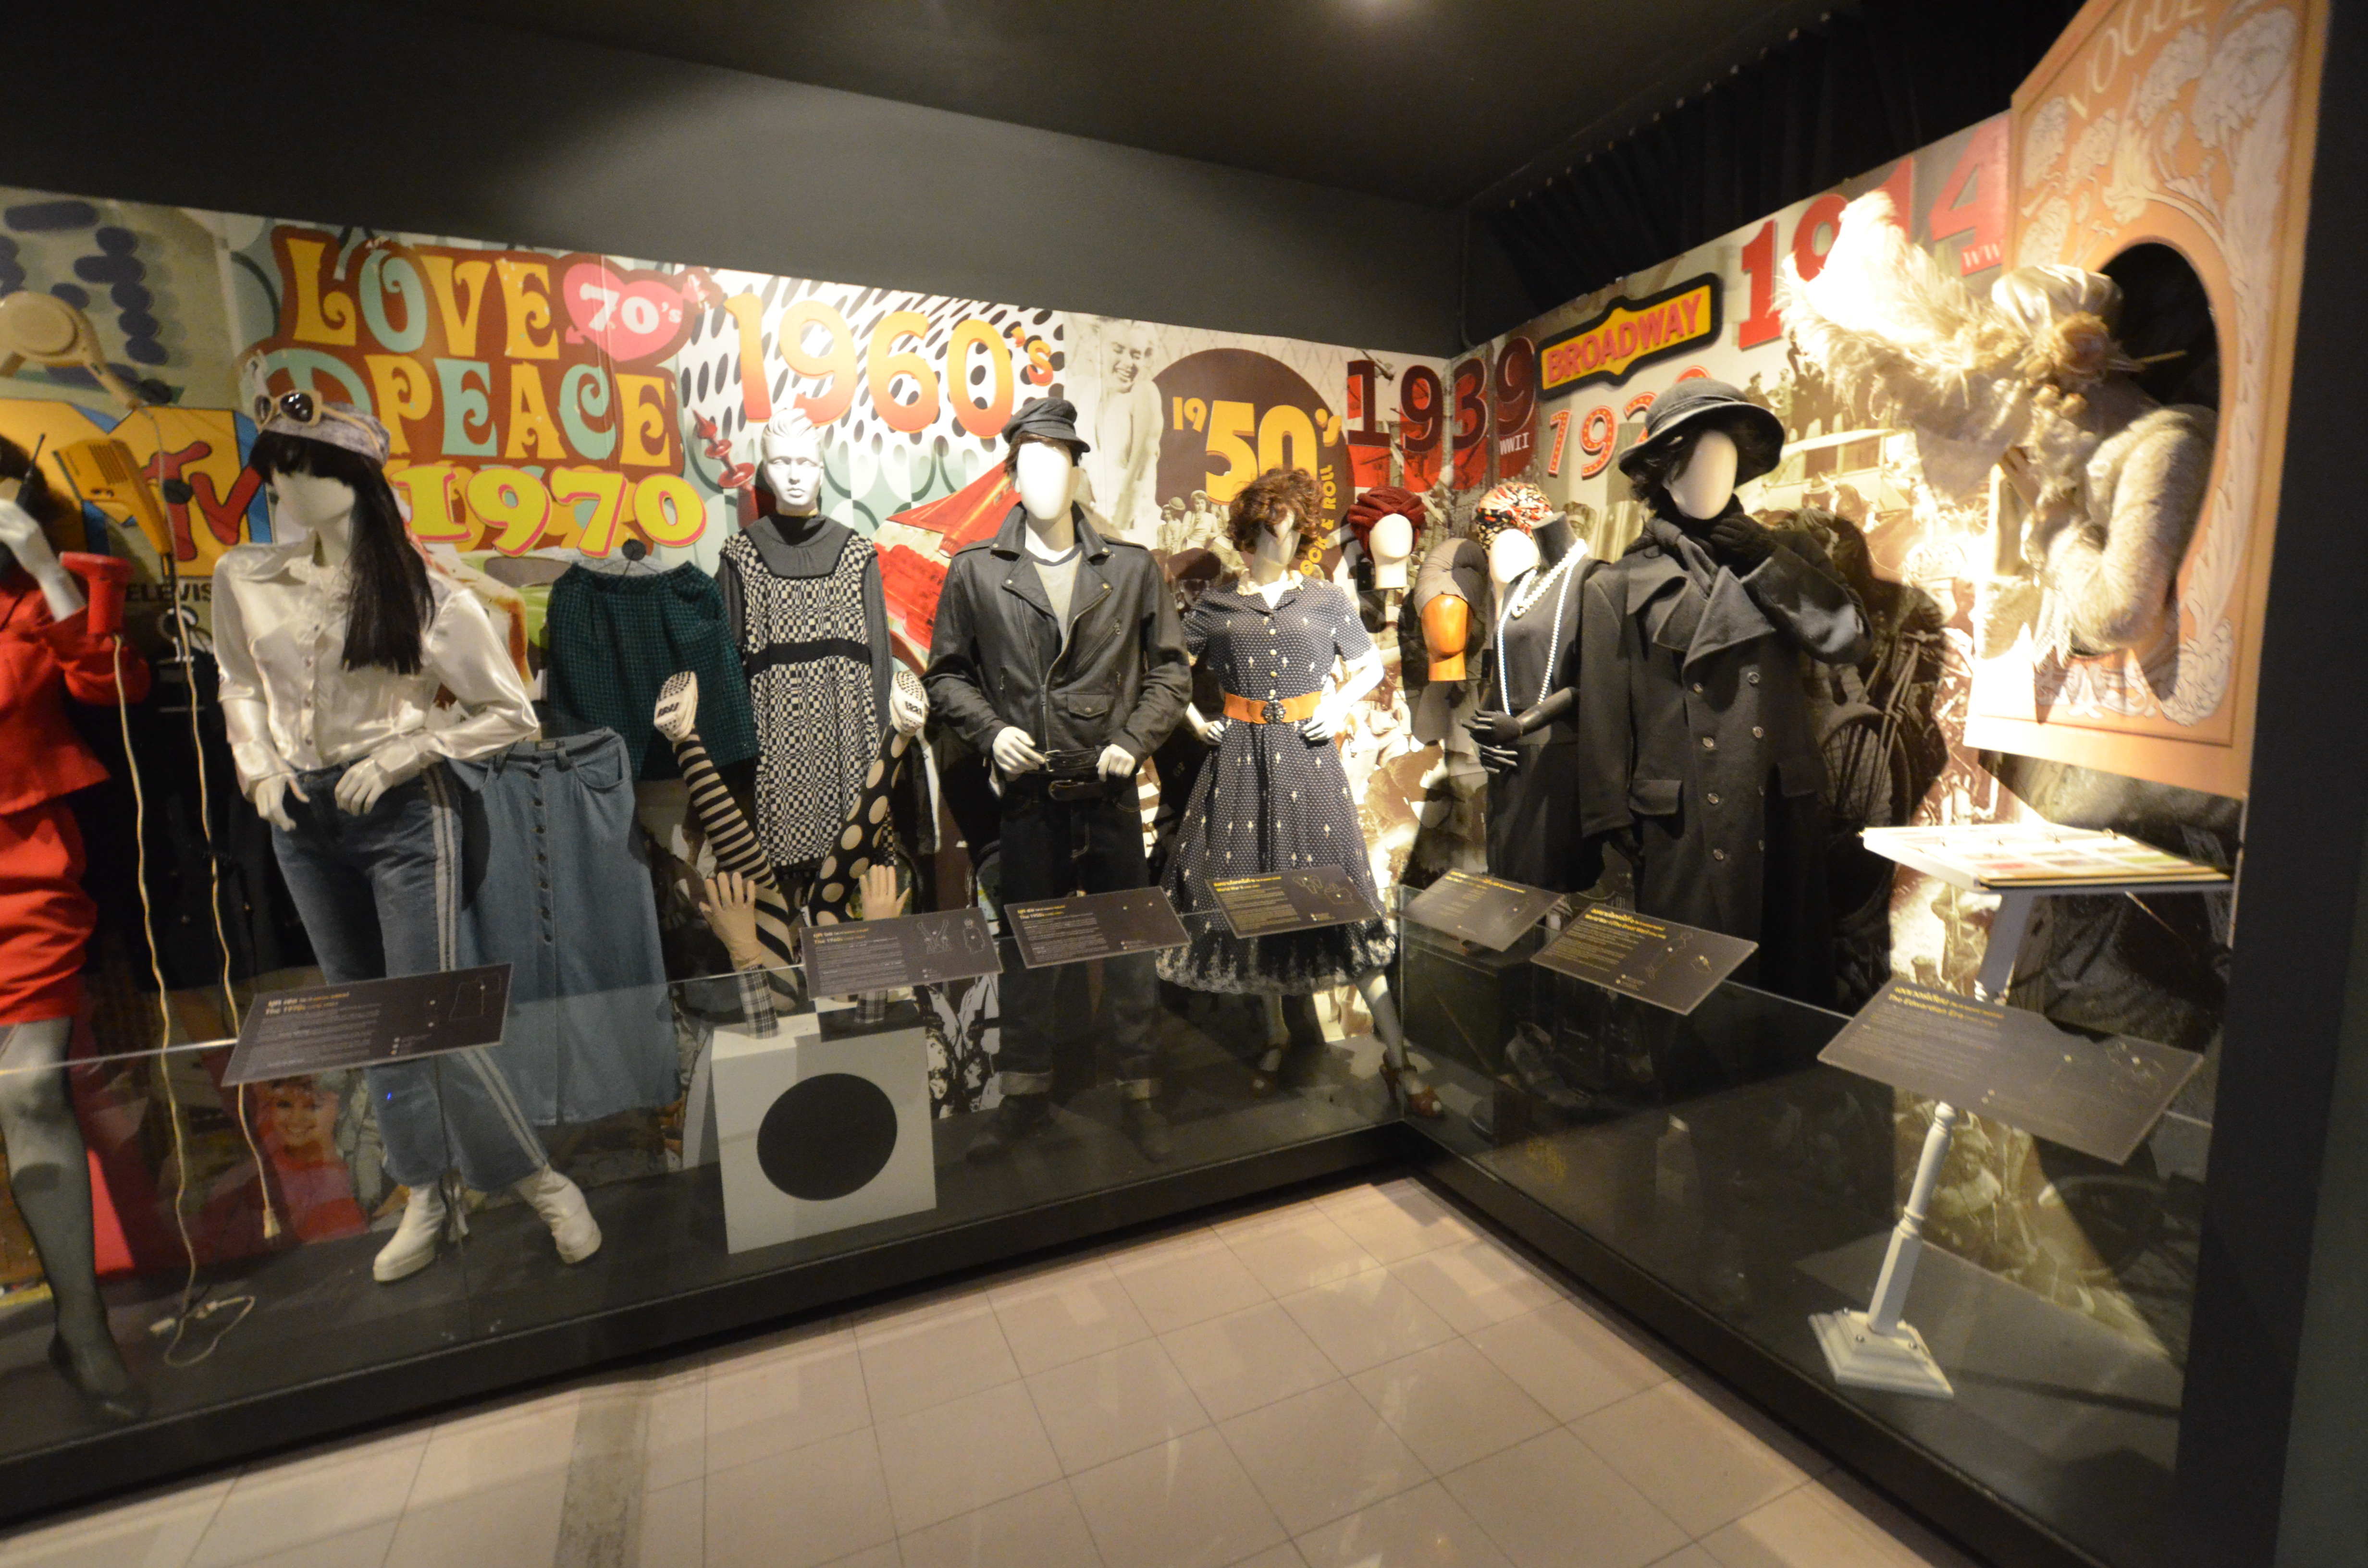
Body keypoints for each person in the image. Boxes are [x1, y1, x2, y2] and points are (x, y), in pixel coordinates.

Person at [925, 398, 1192, 1160]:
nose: (1043, 478)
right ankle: (1024, 1098)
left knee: (1132, 949)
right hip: (1030, 795)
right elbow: (946, 677)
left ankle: (1140, 1092)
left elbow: (1171, 674)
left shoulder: (1130, 569)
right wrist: (994, 732)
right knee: (1026, 952)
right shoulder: (978, 571)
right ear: (1011, 476)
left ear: (1078, 471)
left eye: (1059, 462)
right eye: (1029, 464)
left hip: (1107, 790)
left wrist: (1133, 741)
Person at [1159, 468, 1440, 1116]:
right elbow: (1168, 669)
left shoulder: (1324, 600)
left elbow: (1366, 665)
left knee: (1338, 901)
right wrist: (1196, 720)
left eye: (1290, 529)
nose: (1280, 540)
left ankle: (1398, 1058)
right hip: (1239, 764)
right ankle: (1277, 1035)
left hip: (1309, 765)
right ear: (1250, 530)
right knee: (1253, 898)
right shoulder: (1217, 606)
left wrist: (1335, 706)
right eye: (1270, 528)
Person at [0, 436, 150, 1419]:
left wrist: (45, 566)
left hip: (24, 873)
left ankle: (84, 1328)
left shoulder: (32, 599)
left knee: (27, 1090)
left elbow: (112, 684)